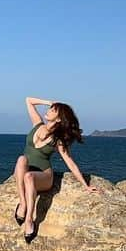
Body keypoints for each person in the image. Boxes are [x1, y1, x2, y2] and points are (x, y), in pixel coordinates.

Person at [13, 97, 97, 243]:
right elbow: (28, 100)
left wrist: (86, 185)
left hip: (43, 175)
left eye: (53, 110)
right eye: (50, 109)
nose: (49, 111)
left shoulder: (57, 140)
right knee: (21, 159)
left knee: (29, 177)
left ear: (58, 119)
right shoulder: (37, 124)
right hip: (26, 169)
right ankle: (23, 203)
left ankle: (29, 220)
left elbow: (70, 162)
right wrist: (50, 102)